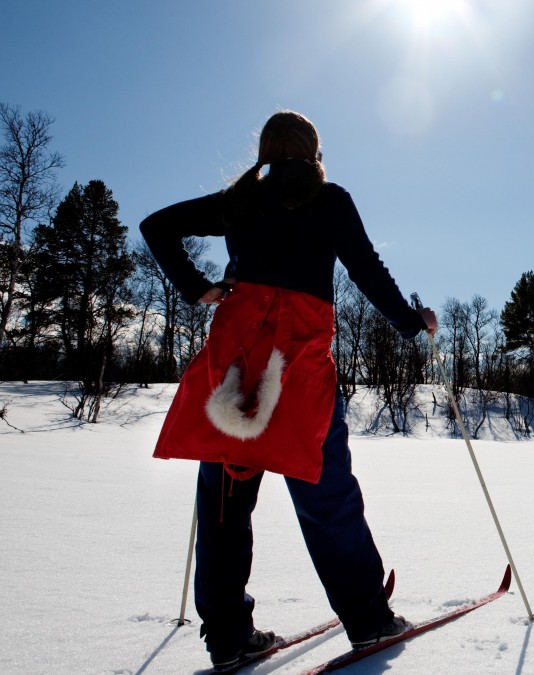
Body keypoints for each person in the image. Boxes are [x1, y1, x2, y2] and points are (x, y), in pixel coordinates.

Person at [141, 110, 437, 671]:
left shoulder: (240, 198)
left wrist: (198, 289)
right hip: (296, 367)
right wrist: (408, 321)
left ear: (267, 149)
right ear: (314, 150)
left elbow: (157, 225)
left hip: (240, 370)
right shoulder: (330, 200)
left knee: (225, 502)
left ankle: (227, 636)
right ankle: (369, 621)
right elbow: (366, 271)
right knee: (327, 494)